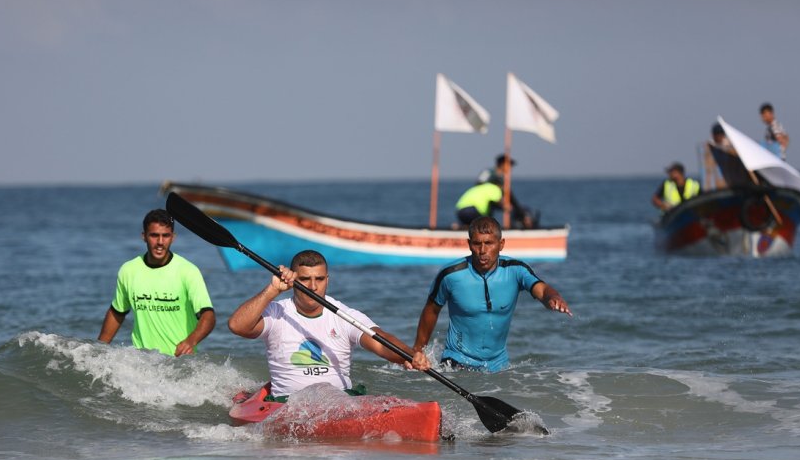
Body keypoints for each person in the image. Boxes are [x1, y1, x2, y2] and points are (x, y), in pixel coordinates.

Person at [228, 249, 429, 400]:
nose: (313, 287)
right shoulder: (276, 312)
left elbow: (380, 340)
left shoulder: (344, 315)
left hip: (339, 402)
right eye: (305, 279)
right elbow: (238, 326)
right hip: (287, 404)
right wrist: (272, 290)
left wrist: (408, 354)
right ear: (293, 280)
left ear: (328, 280)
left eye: (319, 279)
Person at [413, 216, 571, 373]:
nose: (482, 251)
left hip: (498, 367)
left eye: (488, 243)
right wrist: (418, 352)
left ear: (501, 244)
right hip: (456, 363)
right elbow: (431, 310)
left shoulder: (516, 270)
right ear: (469, 245)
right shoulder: (450, 274)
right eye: (477, 244)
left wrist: (553, 297)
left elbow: (541, 290)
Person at [98, 209, 216, 357]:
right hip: (142, 363)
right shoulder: (128, 270)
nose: (160, 242)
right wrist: (98, 351)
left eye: (165, 236)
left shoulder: (188, 271)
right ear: (144, 236)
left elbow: (208, 316)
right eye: (154, 235)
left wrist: (191, 341)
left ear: (173, 237)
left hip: (179, 362)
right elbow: (117, 312)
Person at [471, 154, 537, 228]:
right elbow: (479, 185)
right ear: (502, 164)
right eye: (509, 165)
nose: (510, 169)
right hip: (483, 203)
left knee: (514, 209)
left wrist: (518, 209)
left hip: (494, 203)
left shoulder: (502, 179)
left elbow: (509, 194)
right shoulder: (488, 173)